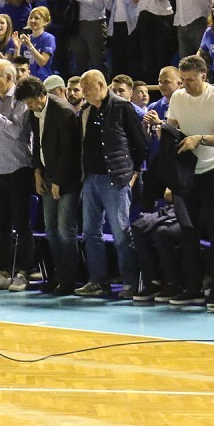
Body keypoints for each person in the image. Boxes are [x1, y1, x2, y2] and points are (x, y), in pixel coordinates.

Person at [75, 68, 149, 299]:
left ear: (100, 85)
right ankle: (97, 281)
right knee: (90, 232)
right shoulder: (85, 111)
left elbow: (141, 144)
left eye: (87, 86)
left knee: (121, 233)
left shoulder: (122, 107)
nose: (84, 91)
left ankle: (130, 282)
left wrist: (133, 172)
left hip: (115, 179)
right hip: (90, 178)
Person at [167, 54, 214, 307]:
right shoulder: (177, 97)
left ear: (203, 77)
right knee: (188, 230)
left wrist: (199, 139)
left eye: (191, 80)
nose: (186, 85)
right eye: (182, 80)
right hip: (187, 172)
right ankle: (192, 287)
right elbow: (171, 128)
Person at [0, 59, 38, 293]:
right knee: (0, 225)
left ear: (9, 78)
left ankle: (24, 271)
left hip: (18, 168)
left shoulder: (20, 100)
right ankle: (3, 272)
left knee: (21, 222)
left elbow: (16, 132)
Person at [17, 75, 83, 295]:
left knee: (65, 230)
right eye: (26, 104)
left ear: (42, 95)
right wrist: (37, 173)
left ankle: (69, 279)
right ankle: (57, 274)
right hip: (47, 176)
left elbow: (69, 152)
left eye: (31, 102)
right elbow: (37, 144)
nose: (30, 107)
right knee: (51, 230)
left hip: (67, 180)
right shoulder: (34, 113)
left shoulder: (64, 112)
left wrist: (58, 181)